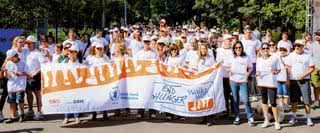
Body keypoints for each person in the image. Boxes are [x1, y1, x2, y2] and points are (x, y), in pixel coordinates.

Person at [225, 41, 255, 126]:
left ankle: (250, 117)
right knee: (235, 100)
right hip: (233, 81)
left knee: (246, 100)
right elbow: (227, 66)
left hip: (243, 81)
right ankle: (237, 116)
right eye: (236, 48)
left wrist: (248, 73)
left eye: (240, 47)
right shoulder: (231, 57)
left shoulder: (246, 57)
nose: (238, 49)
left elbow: (250, 67)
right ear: (234, 49)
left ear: (242, 48)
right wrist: (229, 71)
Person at [286, 39, 315, 126]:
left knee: (306, 100)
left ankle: (308, 118)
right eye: (295, 46)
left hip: (304, 80)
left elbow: (312, 68)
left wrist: (302, 75)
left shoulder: (308, 55)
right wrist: (288, 79)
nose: (297, 47)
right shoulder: (291, 55)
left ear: (303, 46)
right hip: (293, 80)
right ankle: (294, 117)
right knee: (294, 101)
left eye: (299, 46)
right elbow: (287, 67)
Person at [256, 43, 281, 130]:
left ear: (269, 49)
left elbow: (279, 69)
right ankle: (266, 120)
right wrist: (257, 74)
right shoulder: (258, 59)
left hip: (271, 83)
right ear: (261, 50)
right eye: (263, 48)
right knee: (264, 102)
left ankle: (277, 122)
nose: (265, 49)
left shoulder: (275, 58)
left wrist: (276, 72)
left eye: (267, 48)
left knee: (273, 102)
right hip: (262, 82)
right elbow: (258, 71)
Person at [133, 35, 157, 119]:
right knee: (142, 94)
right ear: (143, 43)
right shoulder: (139, 54)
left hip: (151, 77)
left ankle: (152, 112)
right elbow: (134, 64)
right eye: (145, 42)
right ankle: (140, 112)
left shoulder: (154, 53)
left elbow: (157, 64)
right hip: (142, 77)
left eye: (148, 42)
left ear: (150, 43)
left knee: (151, 94)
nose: (147, 43)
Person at [4, 49, 28, 123]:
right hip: (11, 85)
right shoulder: (8, 63)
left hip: (21, 84)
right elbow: (7, 77)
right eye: (9, 58)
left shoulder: (23, 63)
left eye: (11, 58)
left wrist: (20, 73)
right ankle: (13, 116)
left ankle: (22, 115)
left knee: (20, 99)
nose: (10, 59)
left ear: (15, 56)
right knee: (12, 101)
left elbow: (28, 73)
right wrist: (5, 71)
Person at [25, 36, 45, 120]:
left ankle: (39, 112)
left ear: (33, 43)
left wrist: (34, 74)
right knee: (29, 94)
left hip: (35, 76)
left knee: (37, 94)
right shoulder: (25, 52)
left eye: (29, 43)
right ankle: (30, 110)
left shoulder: (38, 53)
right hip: (26, 76)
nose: (28, 45)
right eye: (27, 43)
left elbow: (43, 65)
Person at [197, 42, 216, 126]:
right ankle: (204, 117)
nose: (203, 50)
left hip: (209, 82)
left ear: (207, 49)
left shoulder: (211, 58)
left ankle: (210, 118)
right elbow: (196, 69)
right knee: (202, 99)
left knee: (209, 99)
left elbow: (214, 68)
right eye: (202, 49)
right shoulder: (198, 59)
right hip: (201, 81)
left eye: (204, 49)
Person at [62, 45, 81, 125]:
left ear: (76, 53)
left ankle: (76, 117)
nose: (71, 53)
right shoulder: (65, 62)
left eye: (73, 52)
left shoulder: (80, 62)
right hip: (67, 84)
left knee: (76, 101)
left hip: (76, 85)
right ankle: (66, 117)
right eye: (70, 51)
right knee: (67, 100)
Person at [216, 34, 234, 117]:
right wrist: (226, 66)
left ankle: (234, 112)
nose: (230, 41)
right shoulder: (219, 50)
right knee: (225, 95)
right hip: (223, 76)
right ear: (224, 41)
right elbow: (219, 62)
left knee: (232, 94)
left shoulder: (234, 50)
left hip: (232, 76)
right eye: (229, 40)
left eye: (231, 40)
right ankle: (226, 111)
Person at [311, 30, 320, 108]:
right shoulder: (312, 45)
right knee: (315, 85)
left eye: (319, 35)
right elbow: (310, 56)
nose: (317, 36)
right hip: (315, 68)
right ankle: (316, 101)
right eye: (316, 35)